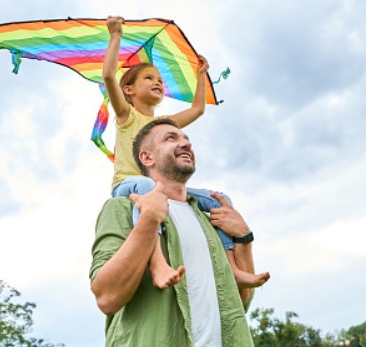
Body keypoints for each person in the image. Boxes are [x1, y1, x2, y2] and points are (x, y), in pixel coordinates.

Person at [91, 118, 267, 347]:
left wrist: (244, 238)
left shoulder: (210, 217)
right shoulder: (121, 209)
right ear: (146, 157)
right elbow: (107, 297)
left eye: (187, 139)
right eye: (171, 138)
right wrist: (148, 218)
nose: (185, 143)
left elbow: (239, 302)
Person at [103, 15, 269, 290]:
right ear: (129, 90)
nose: (158, 83)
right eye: (148, 78)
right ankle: (157, 263)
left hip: (160, 187)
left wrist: (201, 75)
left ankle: (232, 269)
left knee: (219, 199)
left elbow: (198, 109)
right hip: (129, 186)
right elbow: (109, 75)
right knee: (147, 186)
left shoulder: (161, 125)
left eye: (159, 80)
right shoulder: (127, 116)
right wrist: (116, 35)